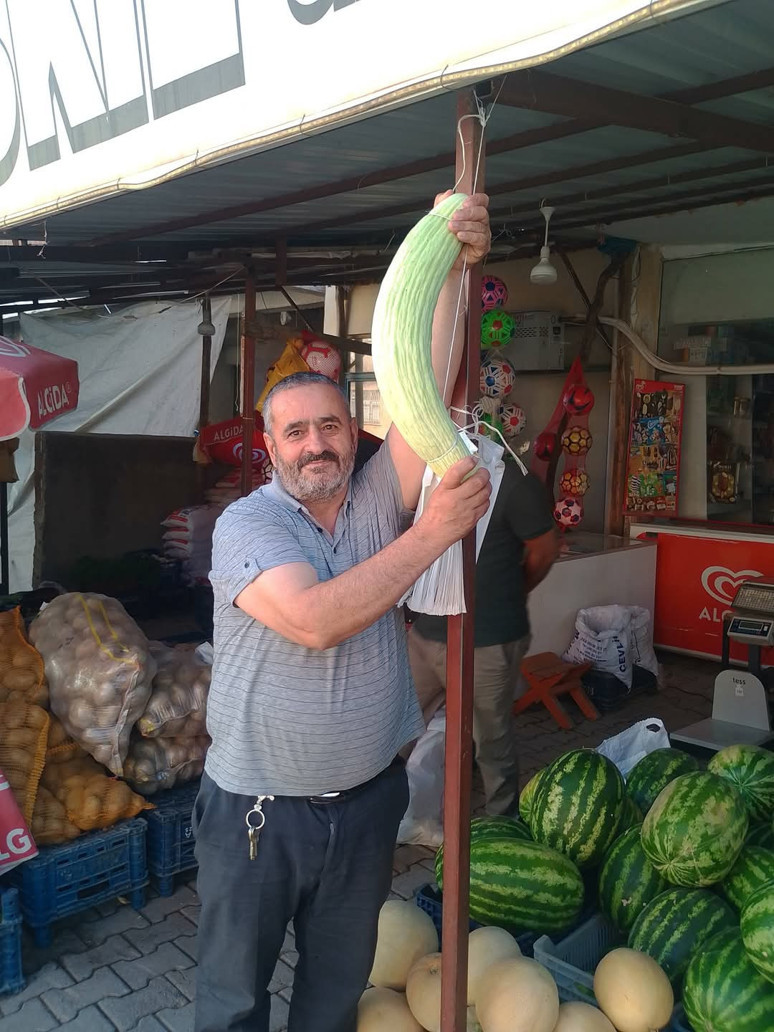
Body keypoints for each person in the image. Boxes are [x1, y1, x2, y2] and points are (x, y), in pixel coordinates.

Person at [193, 192, 491, 1032]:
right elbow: (317, 619)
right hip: (260, 816)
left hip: (366, 808)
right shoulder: (247, 526)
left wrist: (448, 255)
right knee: (233, 1002)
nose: (317, 442)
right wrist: (431, 533)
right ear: (270, 446)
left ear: (349, 429)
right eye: (295, 432)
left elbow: (421, 371)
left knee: (333, 996)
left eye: (331, 424)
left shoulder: (369, 500)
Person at [409, 461, 558, 816]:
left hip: (489, 640)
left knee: (491, 743)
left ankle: (502, 825)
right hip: (425, 635)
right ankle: (380, 819)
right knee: (395, 729)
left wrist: (511, 593)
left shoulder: (515, 482)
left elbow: (545, 549)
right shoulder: (427, 473)